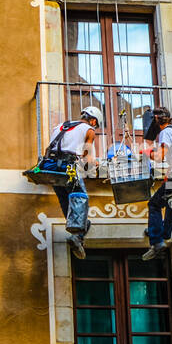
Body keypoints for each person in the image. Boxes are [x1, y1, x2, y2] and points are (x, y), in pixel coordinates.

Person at [47, 106, 101, 259]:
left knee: (66, 200)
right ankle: (77, 236)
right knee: (80, 197)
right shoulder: (89, 130)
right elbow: (87, 158)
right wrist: (96, 164)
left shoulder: (60, 126)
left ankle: (80, 233)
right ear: (93, 120)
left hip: (50, 167)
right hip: (68, 167)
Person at [142, 107, 172, 261]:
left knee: (154, 205)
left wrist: (146, 153)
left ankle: (157, 241)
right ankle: (165, 234)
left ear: (156, 119)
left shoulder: (165, 133)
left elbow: (158, 157)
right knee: (170, 202)